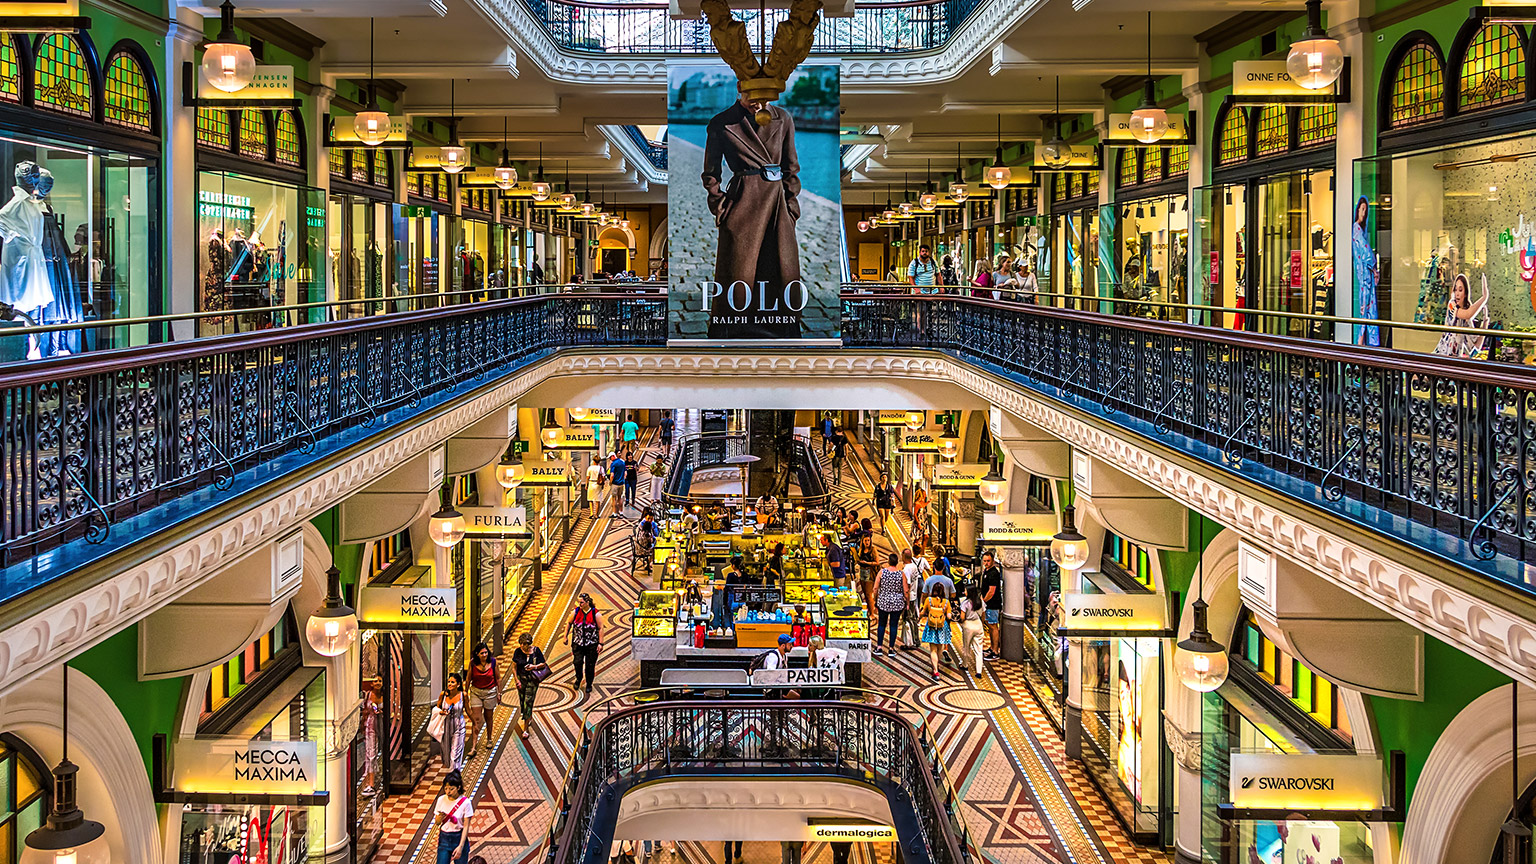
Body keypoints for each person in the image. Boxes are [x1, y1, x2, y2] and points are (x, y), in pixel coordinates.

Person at [702, 90, 803, 340]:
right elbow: (711, 173)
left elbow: (791, 167)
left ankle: (781, 329)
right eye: (753, 99)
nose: (759, 105)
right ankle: (732, 329)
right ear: (740, 91)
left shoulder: (784, 118)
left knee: (779, 266)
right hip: (741, 203)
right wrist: (721, 207)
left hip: (777, 204)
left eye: (764, 99)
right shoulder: (721, 122)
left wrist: (792, 208)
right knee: (739, 270)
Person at [564, 593, 604, 697]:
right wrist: (565, 636)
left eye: (581, 602)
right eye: (579, 602)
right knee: (577, 662)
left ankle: (589, 683)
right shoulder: (576, 612)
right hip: (578, 644)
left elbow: (600, 629)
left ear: (587, 602)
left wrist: (600, 643)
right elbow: (569, 623)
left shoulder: (596, 614)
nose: (579, 604)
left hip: (592, 645)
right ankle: (578, 678)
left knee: (590, 666)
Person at [510, 632, 547, 740]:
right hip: (522, 680)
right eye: (522, 644)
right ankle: (528, 716)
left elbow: (543, 664)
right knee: (522, 702)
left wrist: (534, 666)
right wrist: (516, 680)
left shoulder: (536, 651)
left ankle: (525, 729)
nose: (523, 646)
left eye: (525, 644)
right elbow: (514, 667)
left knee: (528, 702)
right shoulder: (517, 652)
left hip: (532, 681)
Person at [466, 643, 500, 756]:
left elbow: (498, 678)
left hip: (490, 692)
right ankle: (474, 746)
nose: (484, 655)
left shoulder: (493, 662)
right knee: (476, 719)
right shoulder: (473, 663)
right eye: (482, 653)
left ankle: (489, 739)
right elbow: (468, 678)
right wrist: (465, 693)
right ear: (477, 654)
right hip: (476, 692)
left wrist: (499, 693)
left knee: (488, 716)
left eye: (486, 652)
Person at [433, 770, 474, 864]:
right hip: (444, 838)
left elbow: (466, 826)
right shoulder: (441, 800)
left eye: (451, 789)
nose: (448, 792)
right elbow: (437, 822)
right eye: (446, 788)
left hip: (458, 837)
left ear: (458, 787)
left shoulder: (465, 803)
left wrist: (461, 846)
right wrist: (440, 817)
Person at [873, 552, 908, 656]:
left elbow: (875, 588)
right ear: (897, 562)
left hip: (883, 602)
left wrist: (875, 600)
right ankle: (891, 648)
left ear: (888, 561)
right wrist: (907, 602)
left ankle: (879, 647)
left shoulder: (882, 572)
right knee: (893, 625)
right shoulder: (901, 574)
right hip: (897, 603)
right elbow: (905, 590)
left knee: (881, 624)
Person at [435, 672, 467, 770]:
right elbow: (437, 708)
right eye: (448, 682)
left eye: (452, 682)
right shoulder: (443, 695)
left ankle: (454, 777)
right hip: (446, 727)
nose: (449, 684)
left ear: (458, 684)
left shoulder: (463, 695)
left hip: (459, 726)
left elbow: (468, 710)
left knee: (455, 755)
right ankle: (453, 773)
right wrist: (441, 712)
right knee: (446, 755)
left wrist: (475, 723)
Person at [921, 584, 953, 680]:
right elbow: (949, 616)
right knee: (940, 647)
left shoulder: (929, 600)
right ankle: (937, 664)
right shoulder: (946, 602)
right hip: (942, 626)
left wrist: (920, 616)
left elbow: (923, 612)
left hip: (931, 626)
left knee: (933, 649)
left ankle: (935, 671)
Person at [979, 550, 1004, 661]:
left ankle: (995, 651)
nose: (986, 563)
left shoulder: (994, 573)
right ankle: (992, 647)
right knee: (990, 625)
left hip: (992, 604)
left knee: (993, 626)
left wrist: (984, 601)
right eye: (984, 561)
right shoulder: (986, 571)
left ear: (993, 560)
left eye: (988, 561)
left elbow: (992, 591)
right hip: (989, 604)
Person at [959, 584, 987, 675]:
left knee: (966, 647)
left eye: (966, 590)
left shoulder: (965, 603)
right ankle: (979, 671)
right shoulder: (981, 602)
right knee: (979, 649)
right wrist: (982, 624)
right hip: (978, 624)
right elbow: (983, 615)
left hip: (968, 625)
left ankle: (965, 664)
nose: (964, 592)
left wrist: (960, 621)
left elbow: (962, 617)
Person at [856, 535, 880, 609]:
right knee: (864, 593)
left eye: (868, 540)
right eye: (865, 541)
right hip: (862, 571)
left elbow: (877, 562)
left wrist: (867, 563)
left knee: (869, 594)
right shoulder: (861, 550)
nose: (867, 542)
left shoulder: (873, 550)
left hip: (870, 573)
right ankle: (868, 610)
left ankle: (872, 613)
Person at [608, 451, 627, 517]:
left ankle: (615, 513)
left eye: (610, 458)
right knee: (620, 497)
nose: (610, 459)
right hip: (621, 483)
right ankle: (621, 512)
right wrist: (622, 479)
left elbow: (612, 475)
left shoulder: (613, 464)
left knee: (614, 499)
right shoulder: (622, 462)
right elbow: (625, 473)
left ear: (613, 456)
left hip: (615, 483)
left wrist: (610, 482)